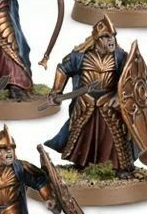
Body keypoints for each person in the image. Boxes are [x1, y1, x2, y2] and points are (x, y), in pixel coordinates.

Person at [44, 17, 137, 176]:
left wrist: (118, 95)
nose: (111, 40)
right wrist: (56, 91)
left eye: (113, 36)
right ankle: (82, 164)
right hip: (85, 102)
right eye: (106, 36)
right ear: (97, 39)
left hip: (109, 103)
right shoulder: (79, 56)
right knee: (82, 134)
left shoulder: (120, 57)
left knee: (115, 136)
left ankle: (119, 167)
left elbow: (130, 78)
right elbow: (63, 69)